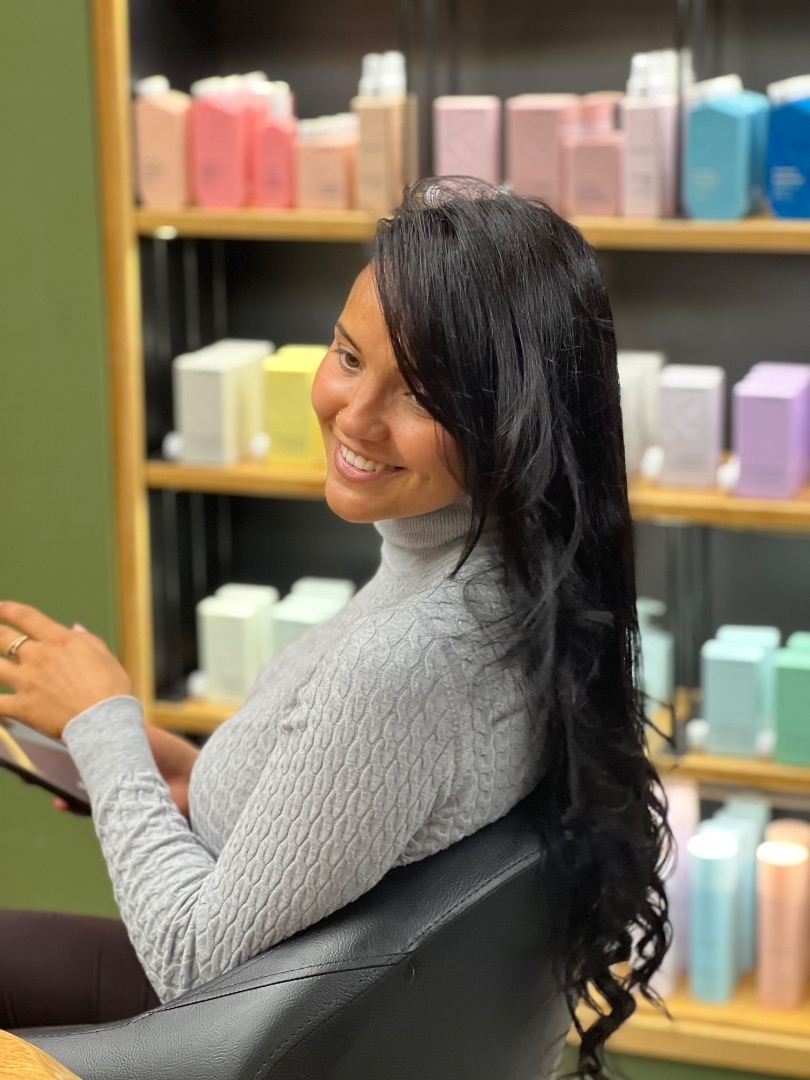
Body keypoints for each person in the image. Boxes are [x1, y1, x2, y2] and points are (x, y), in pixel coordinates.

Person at [0, 178, 668, 1077]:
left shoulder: (408, 660)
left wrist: (102, 724)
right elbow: (371, 805)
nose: (354, 415)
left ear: (511, 420)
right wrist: (179, 778)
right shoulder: (516, 589)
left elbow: (195, 966)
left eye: (420, 394)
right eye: (349, 356)